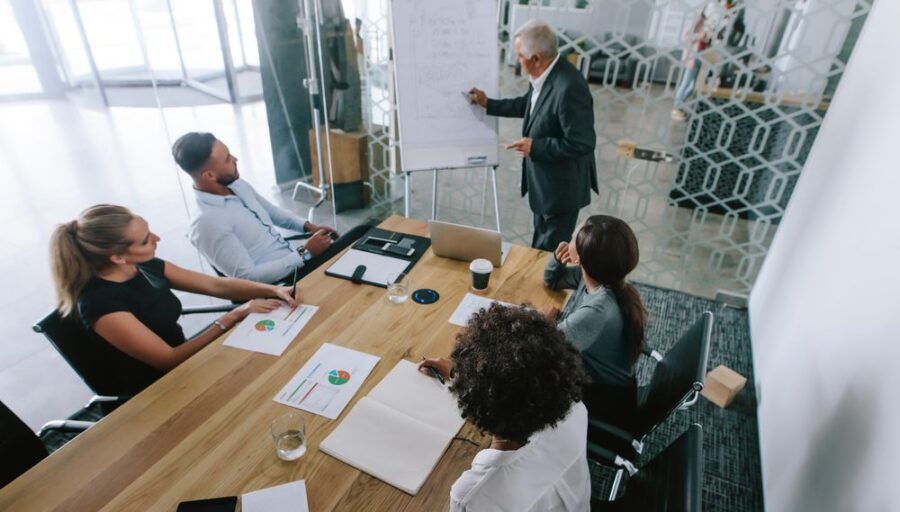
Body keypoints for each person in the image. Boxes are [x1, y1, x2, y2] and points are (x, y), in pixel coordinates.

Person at [50, 204, 299, 394]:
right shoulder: (99, 304)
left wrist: (271, 289)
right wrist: (235, 315)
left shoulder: (143, 265)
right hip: (156, 390)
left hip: (191, 364)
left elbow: (216, 284)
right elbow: (167, 361)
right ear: (117, 257)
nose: (157, 238)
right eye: (146, 239)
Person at [419, 304, 591, 512]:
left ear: (477, 406)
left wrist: (469, 380)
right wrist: (462, 375)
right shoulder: (574, 409)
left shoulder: (473, 496)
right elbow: (524, 380)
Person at [173, 132, 370, 284]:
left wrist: (307, 226)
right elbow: (248, 278)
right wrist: (304, 253)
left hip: (295, 262)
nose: (235, 159)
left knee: (366, 233)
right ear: (208, 175)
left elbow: (271, 211)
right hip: (281, 284)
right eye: (227, 159)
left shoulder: (235, 184)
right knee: (363, 234)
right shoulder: (207, 223)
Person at [468, 20, 597, 251]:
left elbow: (582, 143)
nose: (517, 62)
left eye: (519, 56)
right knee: (540, 247)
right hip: (546, 185)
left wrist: (535, 147)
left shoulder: (569, 87)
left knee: (548, 254)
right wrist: (488, 104)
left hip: (561, 190)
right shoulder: (546, 75)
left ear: (536, 58)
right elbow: (528, 106)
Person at [542, 215, 647, 425]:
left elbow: (544, 351)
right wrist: (556, 258)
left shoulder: (598, 310)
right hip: (603, 382)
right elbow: (552, 281)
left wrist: (544, 323)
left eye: (572, 238)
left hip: (603, 400)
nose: (568, 240)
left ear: (579, 257)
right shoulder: (602, 279)